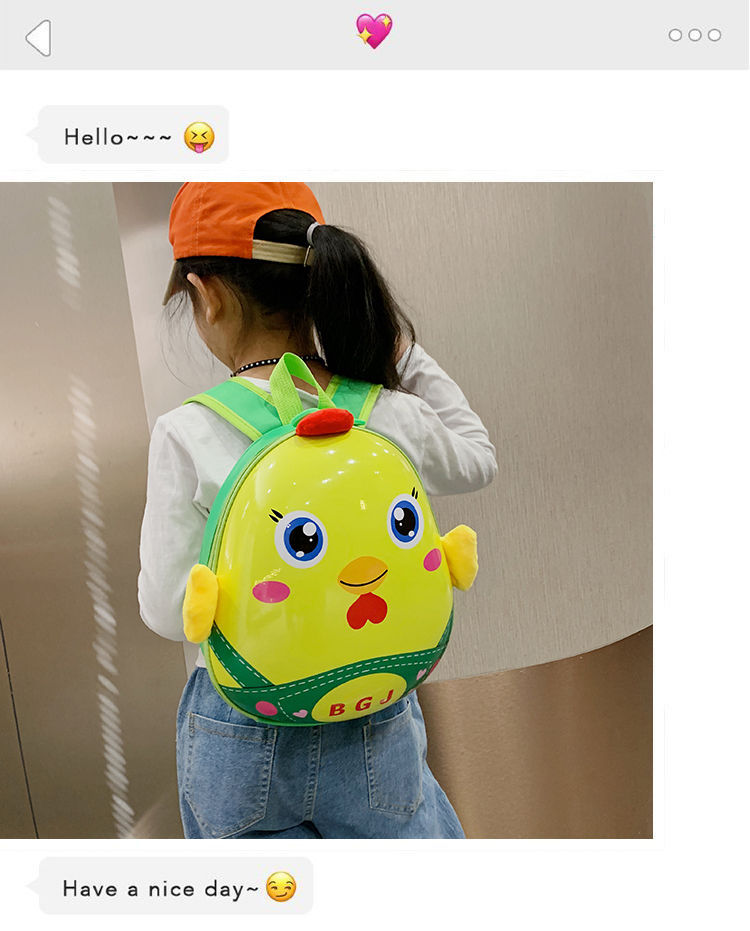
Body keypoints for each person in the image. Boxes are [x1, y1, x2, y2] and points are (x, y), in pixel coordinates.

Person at [138, 182, 498, 839]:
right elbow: (477, 459)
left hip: (243, 723)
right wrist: (403, 352)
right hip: (371, 708)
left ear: (206, 294)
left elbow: (167, 612)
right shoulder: (387, 412)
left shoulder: (187, 432)